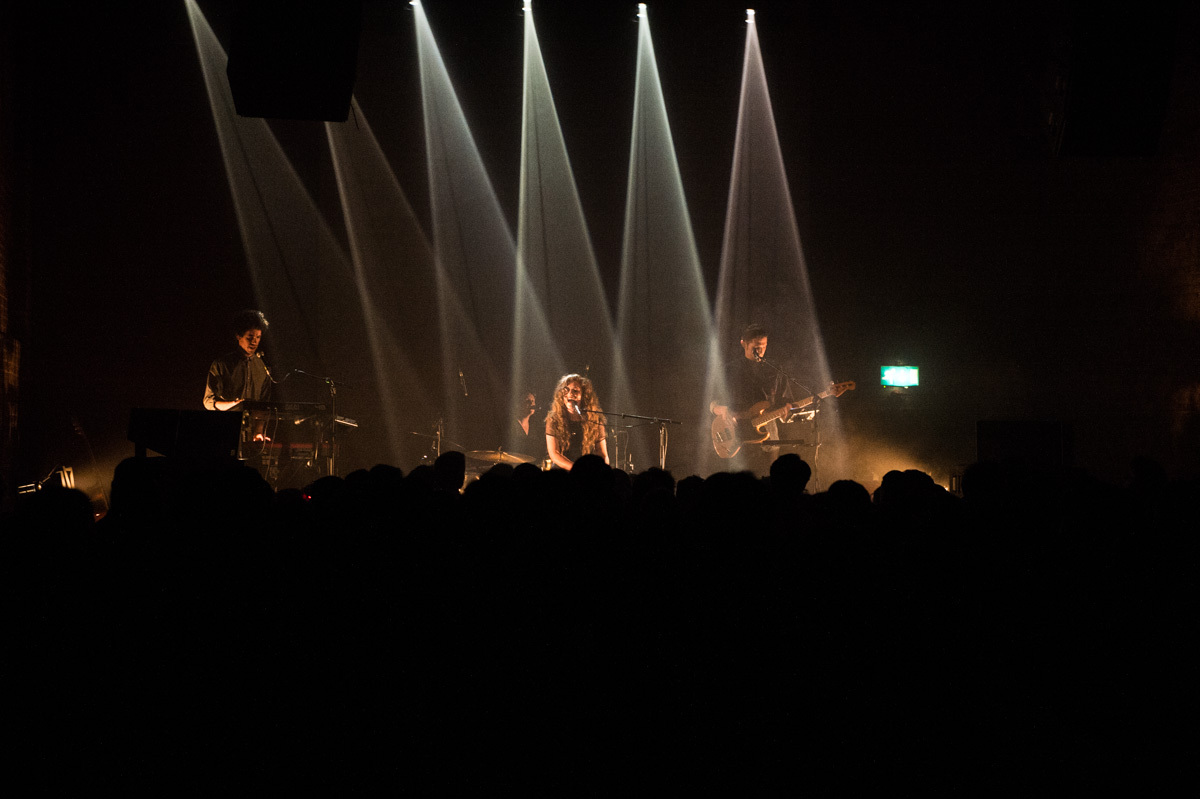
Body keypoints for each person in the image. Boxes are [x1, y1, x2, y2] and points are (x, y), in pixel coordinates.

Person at [709, 323, 789, 473]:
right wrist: (723, 410)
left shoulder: (775, 369)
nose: (760, 350)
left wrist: (787, 410)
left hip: (768, 434)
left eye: (764, 346)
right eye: (756, 347)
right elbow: (712, 404)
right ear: (743, 344)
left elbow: (784, 401)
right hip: (736, 433)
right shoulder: (730, 369)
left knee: (770, 477)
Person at [203, 309, 272, 411]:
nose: (254, 341)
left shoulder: (263, 367)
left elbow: (265, 406)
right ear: (238, 336)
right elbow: (208, 402)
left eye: (258, 337)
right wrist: (234, 404)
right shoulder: (222, 364)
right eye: (250, 337)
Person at [545, 374, 609, 469]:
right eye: (566, 390)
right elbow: (554, 453)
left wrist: (604, 471)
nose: (570, 393)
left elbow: (602, 453)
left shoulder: (595, 419)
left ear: (584, 396)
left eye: (575, 391)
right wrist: (577, 469)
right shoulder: (554, 419)